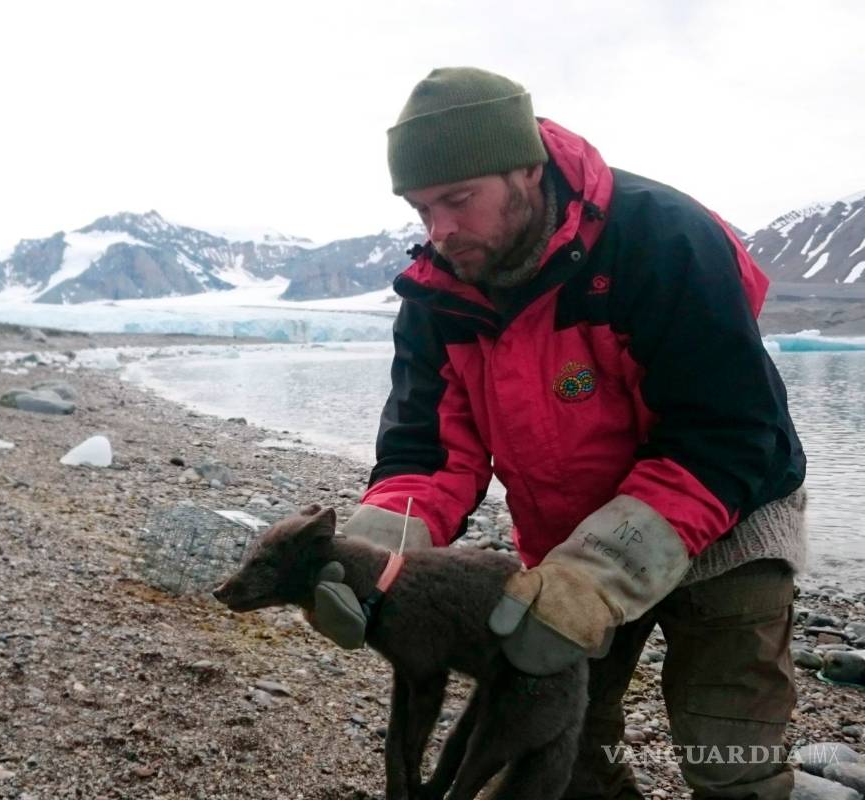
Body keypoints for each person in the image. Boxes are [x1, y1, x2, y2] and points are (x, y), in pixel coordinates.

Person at [310, 67, 807, 799]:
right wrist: (370, 557)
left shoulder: (663, 241)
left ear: (526, 169)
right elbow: (428, 451)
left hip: (731, 521)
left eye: (458, 200)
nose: (439, 231)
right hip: (566, 541)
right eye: (421, 209)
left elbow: (723, 437)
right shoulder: (440, 293)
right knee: (557, 751)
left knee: (731, 761)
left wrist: (595, 577)